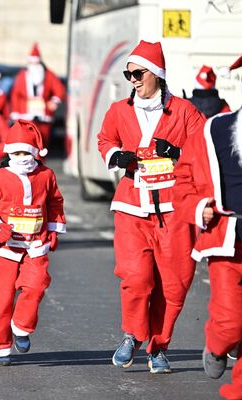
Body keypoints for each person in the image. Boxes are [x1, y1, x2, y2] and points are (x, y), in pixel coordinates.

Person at [97, 40, 206, 373]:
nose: (132, 79)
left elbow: (204, 151)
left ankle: (159, 347)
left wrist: (175, 153)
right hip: (132, 206)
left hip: (174, 210)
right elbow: (105, 139)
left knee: (174, 283)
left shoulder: (185, 112)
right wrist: (116, 156)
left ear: (156, 74)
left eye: (138, 73)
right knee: (136, 277)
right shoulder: (119, 110)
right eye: (128, 74)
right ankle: (132, 334)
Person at [0, 119, 65, 366]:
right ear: (9, 152)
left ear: (35, 152)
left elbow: (55, 202)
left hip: (35, 246)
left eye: (26, 152)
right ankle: (1, 346)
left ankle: (21, 325)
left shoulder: (46, 175)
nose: (21, 157)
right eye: (16, 152)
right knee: (0, 301)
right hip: (3, 249)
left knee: (36, 285)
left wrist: (54, 229)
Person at [173, 102, 242, 400]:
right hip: (229, 244)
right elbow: (182, 181)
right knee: (231, 321)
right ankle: (218, 343)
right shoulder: (215, 129)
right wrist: (198, 208)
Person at [10, 43, 65, 151]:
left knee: (42, 146)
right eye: (32, 63)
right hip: (26, 116)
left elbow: (60, 89)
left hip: (43, 116)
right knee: (27, 144)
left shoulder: (48, 75)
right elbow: (15, 95)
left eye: (36, 63)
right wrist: (15, 112)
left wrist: (54, 101)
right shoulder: (22, 76)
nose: (34, 66)